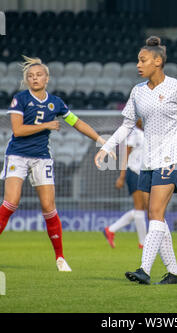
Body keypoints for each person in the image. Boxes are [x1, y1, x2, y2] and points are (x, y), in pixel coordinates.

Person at [95, 36, 177, 285]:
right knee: (155, 216)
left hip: (171, 158)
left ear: (157, 61)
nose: (138, 64)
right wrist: (105, 147)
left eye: (143, 60)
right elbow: (127, 124)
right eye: (138, 60)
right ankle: (174, 274)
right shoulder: (137, 92)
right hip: (148, 161)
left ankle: (144, 269)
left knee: (155, 212)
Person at [0, 56, 115, 272]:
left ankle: (60, 258)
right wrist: (46, 125)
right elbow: (18, 130)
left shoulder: (56, 103)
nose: (35, 78)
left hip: (42, 157)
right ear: (27, 80)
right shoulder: (20, 99)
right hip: (17, 155)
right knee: (11, 202)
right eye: (31, 76)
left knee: (48, 207)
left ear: (47, 78)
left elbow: (77, 123)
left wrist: (100, 140)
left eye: (39, 75)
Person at [103, 118, 147, 249]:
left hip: (141, 172)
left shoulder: (144, 132)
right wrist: (122, 176)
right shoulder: (134, 132)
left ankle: (110, 230)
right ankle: (143, 243)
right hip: (133, 172)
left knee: (142, 208)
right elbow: (125, 154)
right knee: (140, 207)